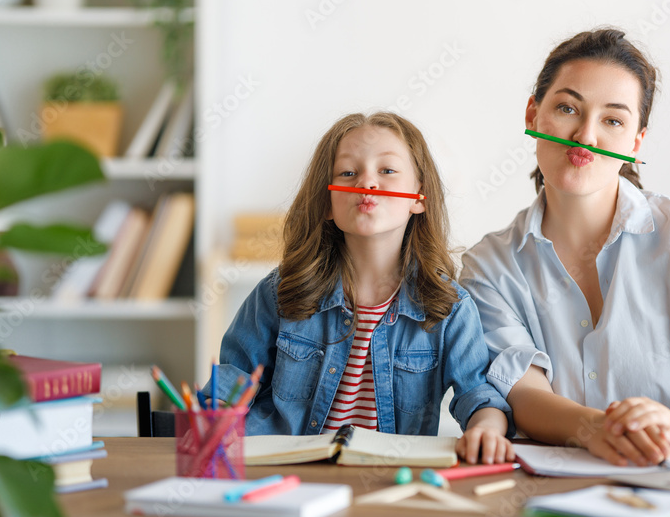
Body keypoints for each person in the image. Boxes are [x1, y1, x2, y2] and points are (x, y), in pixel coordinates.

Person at [460, 28, 670, 467]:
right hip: (546, 501)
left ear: (635, 143)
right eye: (568, 108)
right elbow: (524, 393)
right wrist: (594, 431)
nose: (586, 136)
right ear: (533, 114)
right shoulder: (488, 266)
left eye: (612, 120)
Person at [207, 112, 514, 465]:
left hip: (386, 474)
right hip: (283, 474)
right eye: (348, 173)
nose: (367, 182)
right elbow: (230, 387)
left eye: (387, 171)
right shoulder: (280, 291)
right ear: (326, 203)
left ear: (419, 197)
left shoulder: (449, 306)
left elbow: (477, 394)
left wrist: (487, 429)